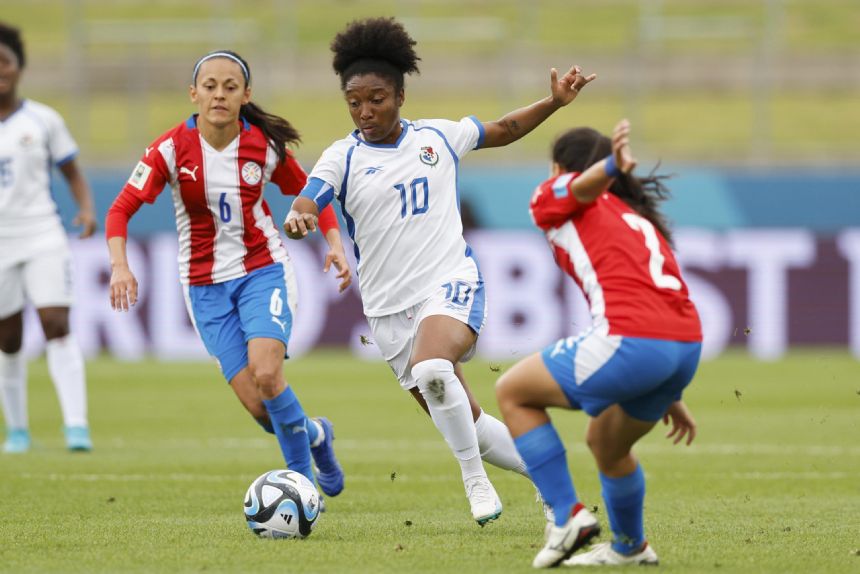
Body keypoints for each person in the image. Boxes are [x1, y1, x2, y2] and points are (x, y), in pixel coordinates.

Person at [284, 17, 596, 526]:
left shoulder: (438, 137)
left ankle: (474, 482)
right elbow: (308, 198)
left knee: (434, 370)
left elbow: (507, 128)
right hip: (387, 311)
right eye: (355, 102)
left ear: (401, 94)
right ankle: (550, 482)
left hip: (450, 283)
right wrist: (298, 219)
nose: (366, 111)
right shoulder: (342, 156)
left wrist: (555, 103)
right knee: (465, 421)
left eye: (377, 98)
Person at [105, 50, 350, 499]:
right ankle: (316, 435)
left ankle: (301, 488)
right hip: (203, 289)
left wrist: (334, 244)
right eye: (211, 86)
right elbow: (120, 210)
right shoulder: (169, 149)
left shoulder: (265, 148)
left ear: (246, 95)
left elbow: (315, 194)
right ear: (194, 93)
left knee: (268, 374)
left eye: (230, 87)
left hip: (263, 271)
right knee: (261, 408)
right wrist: (120, 265)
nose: (219, 94)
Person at [495, 119, 702, 567]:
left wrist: (607, 165)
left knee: (512, 392)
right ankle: (630, 546)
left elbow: (581, 188)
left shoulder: (558, 192)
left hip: (634, 341)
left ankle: (568, 515)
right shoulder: (634, 217)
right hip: (683, 346)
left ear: (560, 168)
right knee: (607, 444)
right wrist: (669, 388)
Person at [0, 22, 95, 453]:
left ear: (20, 68)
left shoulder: (43, 120)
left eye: (6, 62)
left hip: (42, 233)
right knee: (8, 338)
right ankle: (18, 430)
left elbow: (72, 172)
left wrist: (87, 209)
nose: (0, 71)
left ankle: (76, 426)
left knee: (56, 323)